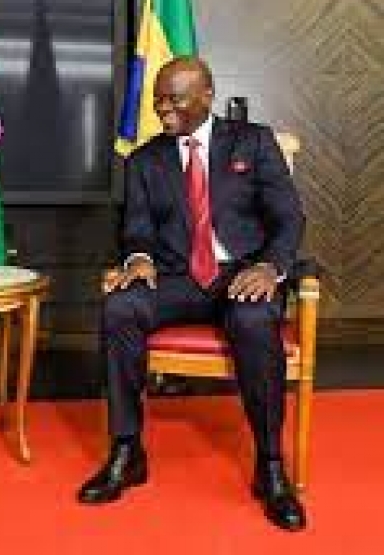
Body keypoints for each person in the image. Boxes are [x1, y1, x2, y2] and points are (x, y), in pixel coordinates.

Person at [77, 57, 307, 531]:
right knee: (120, 307)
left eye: (175, 100)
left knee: (253, 319)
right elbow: (137, 230)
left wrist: (269, 267)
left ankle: (269, 464)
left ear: (206, 95)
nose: (164, 110)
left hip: (243, 274)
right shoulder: (145, 160)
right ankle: (127, 450)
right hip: (177, 278)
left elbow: (288, 217)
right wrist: (138, 258)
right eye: (158, 101)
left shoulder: (253, 143)